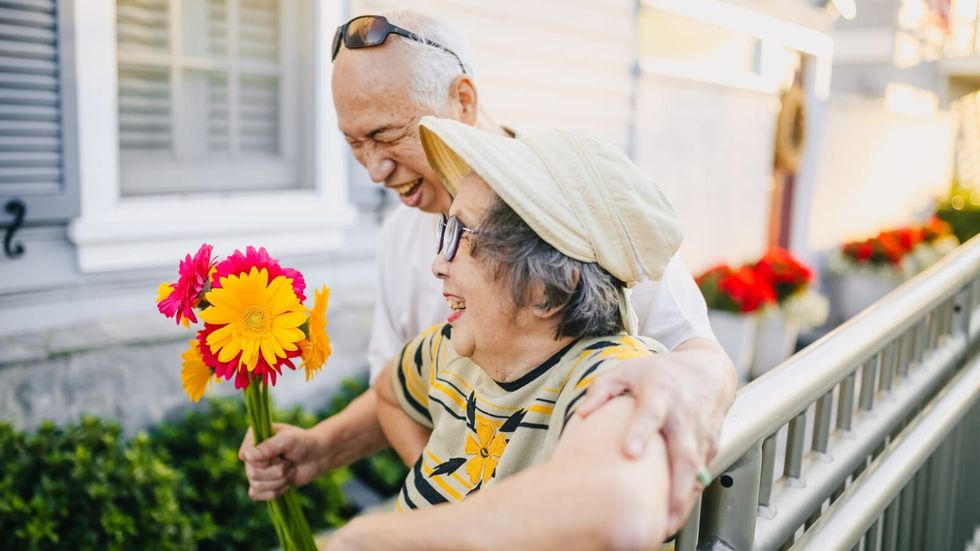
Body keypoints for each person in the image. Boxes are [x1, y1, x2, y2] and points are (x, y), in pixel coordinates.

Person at [241, 11, 736, 531]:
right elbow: (405, 383)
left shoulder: (581, 213)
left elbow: (692, 357)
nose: (374, 170)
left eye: (386, 136)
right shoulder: (398, 235)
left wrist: (697, 381)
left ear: (464, 100)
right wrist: (332, 451)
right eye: (354, 144)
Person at [351, 115, 679, 549]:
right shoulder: (448, 352)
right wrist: (441, 494)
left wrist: (374, 538)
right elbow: (389, 393)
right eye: (443, 230)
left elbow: (619, 510)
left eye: (460, 235)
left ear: (549, 288)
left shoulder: (606, 373)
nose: (438, 263)